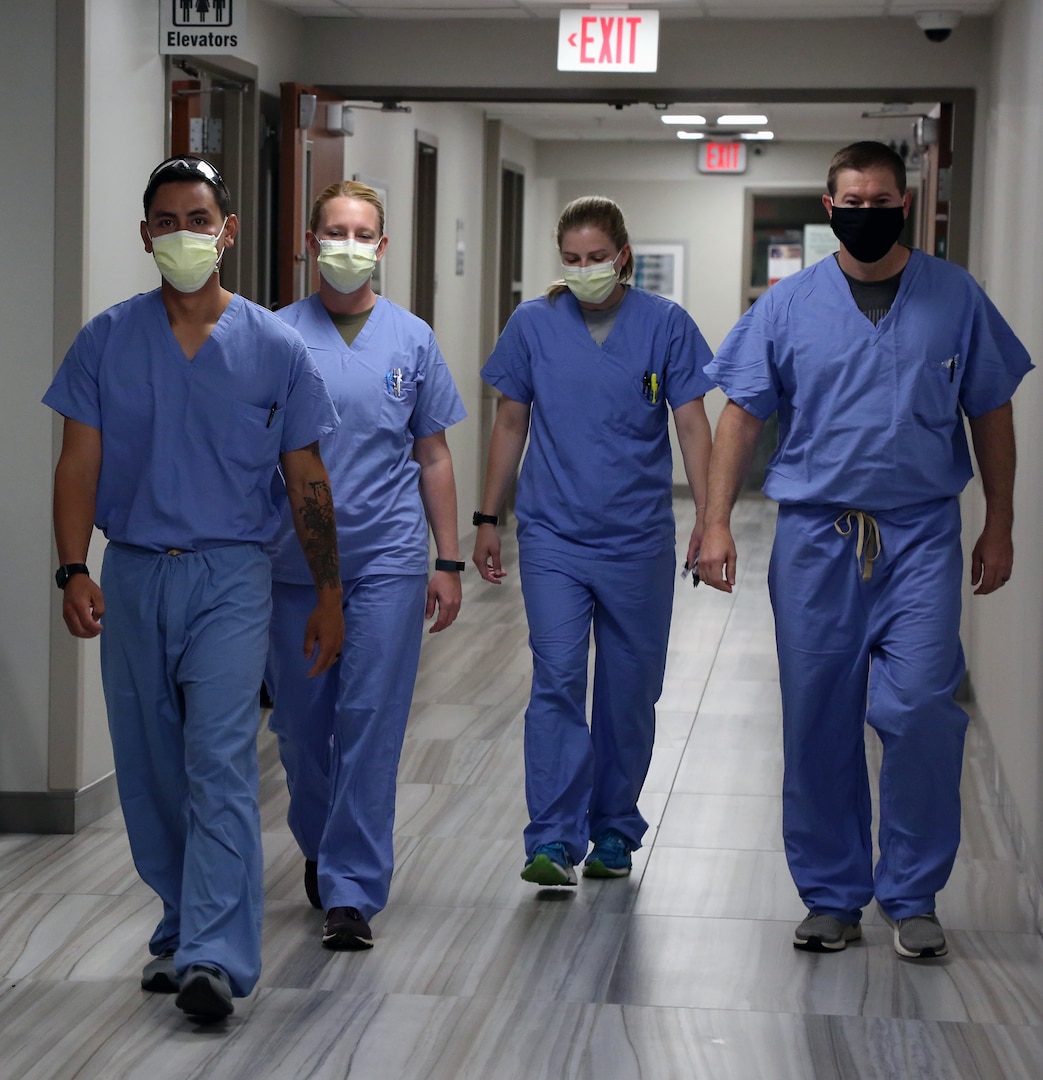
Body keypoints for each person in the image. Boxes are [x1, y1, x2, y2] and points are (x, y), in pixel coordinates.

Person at [699, 141, 1033, 959]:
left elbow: (989, 409)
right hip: (816, 538)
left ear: (905, 203)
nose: (865, 212)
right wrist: (712, 522)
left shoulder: (953, 297)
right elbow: (741, 412)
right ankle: (831, 895)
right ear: (828, 204)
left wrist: (999, 520)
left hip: (920, 533)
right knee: (818, 718)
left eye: (880, 199)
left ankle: (911, 892)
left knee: (919, 706)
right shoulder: (788, 305)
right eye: (850, 201)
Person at [44, 156, 344, 1020]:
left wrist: (328, 592)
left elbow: (307, 480)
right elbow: (78, 465)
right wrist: (71, 567)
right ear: (146, 236)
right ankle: (179, 922)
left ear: (229, 231)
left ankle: (215, 953)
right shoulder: (107, 339)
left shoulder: (274, 348)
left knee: (216, 758)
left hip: (231, 573)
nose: (184, 234)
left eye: (199, 219)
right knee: (149, 766)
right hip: (134, 569)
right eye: (167, 221)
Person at [473, 195, 713, 886]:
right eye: (571, 261)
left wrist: (709, 516)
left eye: (596, 259)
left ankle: (612, 827)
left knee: (629, 691)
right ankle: (549, 837)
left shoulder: (664, 325)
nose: (583, 271)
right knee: (556, 677)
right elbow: (510, 423)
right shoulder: (533, 325)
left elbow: (692, 425)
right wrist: (488, 517)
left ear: (623, 257)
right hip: (552, 533)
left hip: (637, 537)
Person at [265, 181, 466, 950]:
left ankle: (351, 888)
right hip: (290, 567)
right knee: (298, 727)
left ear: (381, 248)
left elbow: (433, 454)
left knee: (369, 724)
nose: (348, 245)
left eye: (362, 234)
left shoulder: (410, 339)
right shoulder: (275, 335)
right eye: (334, 231)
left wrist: (445, 558)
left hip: (386, 558)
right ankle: (320, 843)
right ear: (311, 242)